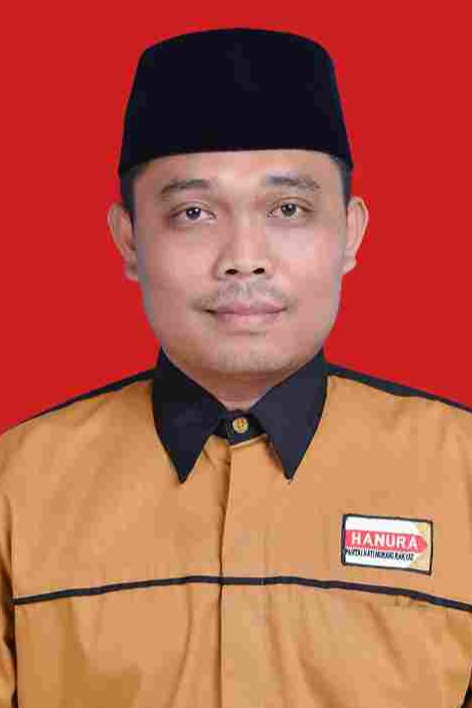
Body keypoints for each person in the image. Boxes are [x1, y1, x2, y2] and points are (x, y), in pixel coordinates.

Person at [0, 27, 471, 708]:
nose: (243, 258)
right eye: (193, 212)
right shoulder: (17, 489)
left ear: (350, 233)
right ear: (129, 240)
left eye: (288, 209)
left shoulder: (460, 477)